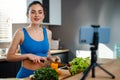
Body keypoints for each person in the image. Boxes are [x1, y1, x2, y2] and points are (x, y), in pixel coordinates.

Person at [7, 1, 60, 78]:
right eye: (33, 12)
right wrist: (28, 55)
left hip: (44, 75)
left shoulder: (48, 33)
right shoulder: (20, 32)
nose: (37, 15)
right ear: (27, 15)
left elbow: (47, 53)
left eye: (40, 12)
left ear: (43, 15)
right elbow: (9, 57)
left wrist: (50, 58)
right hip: (26, 75)